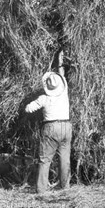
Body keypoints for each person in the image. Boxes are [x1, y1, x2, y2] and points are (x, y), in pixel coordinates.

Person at [24, 50, 72, 194]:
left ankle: (41, 189)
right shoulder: (64, 93)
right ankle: (65, 187)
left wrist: (30, 104)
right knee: (65, 158)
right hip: (66, 126)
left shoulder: (44, 98)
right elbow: (61, 74)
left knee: (45, 159)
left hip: (51, 128)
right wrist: (60, 58)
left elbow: (28, 109)